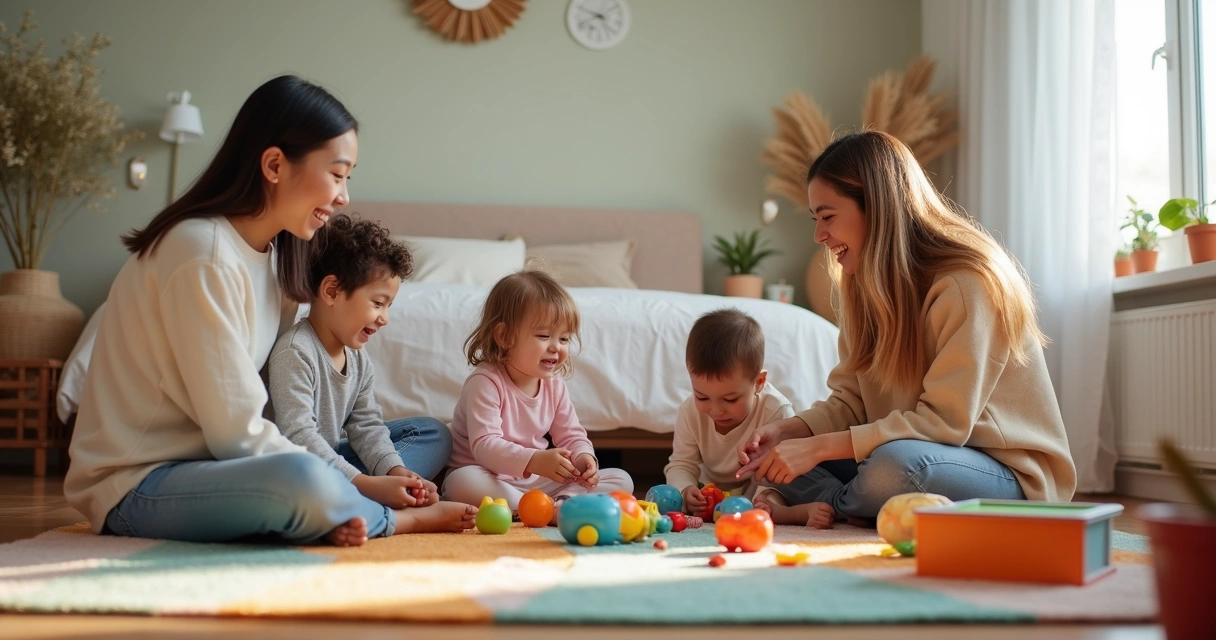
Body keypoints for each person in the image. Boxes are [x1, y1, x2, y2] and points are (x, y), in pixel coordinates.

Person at [65, 75, 474, 547]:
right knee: (302, 481)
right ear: (275, 164)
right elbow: (236, 434)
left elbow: (261, 423)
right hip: (141, 483)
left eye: (348, 178)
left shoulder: (280, 261)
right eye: (337, 174)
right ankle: (396, 517)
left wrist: (370, 470)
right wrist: (353, 480)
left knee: (425, 432)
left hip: (224, 467)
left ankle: (346, 504)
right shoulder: (200, 252)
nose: (344, 197)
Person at [737, 131, 1077, 526]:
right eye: (816, 220)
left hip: (1005, 471)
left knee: (891, 469)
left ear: (877, 206)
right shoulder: (861, 287)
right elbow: (851, 403)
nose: (819, 236)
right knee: (787, 457)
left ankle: (848, 501)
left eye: (827, 217)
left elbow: (944, 424)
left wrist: (817, 450)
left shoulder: (968, 282)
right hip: (914, 450)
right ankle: (860, 504)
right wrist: (788, 431)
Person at [266, 213, 460, 513]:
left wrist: (395, 471)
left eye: (389, 306)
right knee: (308, 471)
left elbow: (367, 426)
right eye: (378, 303)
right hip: (292, 467)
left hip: (332, 462)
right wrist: (364, 482)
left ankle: (380, 490)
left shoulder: (357, 357)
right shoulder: (295, 351)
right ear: (331, 291)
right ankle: (365, 493)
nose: (385, 318)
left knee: (434, 433)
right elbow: (298, 437)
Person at [442, 269, 634, 511]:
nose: (556, 347)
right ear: (504, 336)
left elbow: (572, 435)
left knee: (620, 479)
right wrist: (533, 460)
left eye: (564, 339)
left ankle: (556, 505)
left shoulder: (554, 385)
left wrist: (583, 458)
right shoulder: (485, 381)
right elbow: (486, 446)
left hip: (532, 479)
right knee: (461, 483)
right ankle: (542, 508)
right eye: (544, 335)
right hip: (489, 476)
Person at [662, 309, 835, 527]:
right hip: (711, 492)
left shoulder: (775, 410)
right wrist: (686, 489)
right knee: (673, 497)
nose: (716, 410)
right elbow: (681, 463)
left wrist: (761, 497)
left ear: (759, 382)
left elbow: (783, 465)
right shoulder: (689, 412)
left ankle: (796, 513)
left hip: (763, 486)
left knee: (772, 497)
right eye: (702, 396)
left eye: (730, 399)